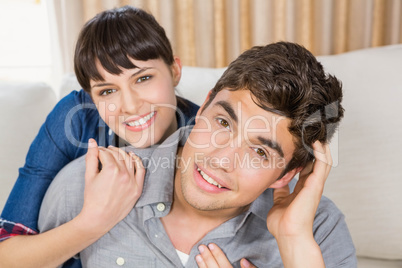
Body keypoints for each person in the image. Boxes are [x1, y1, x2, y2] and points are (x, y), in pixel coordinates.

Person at [38, 42, 357, 267]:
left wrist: (293, 240)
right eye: (222, 122)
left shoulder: (318, 229)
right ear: (203, 106)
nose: (222, 158)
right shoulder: (86, 185)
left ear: (287, 174)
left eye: (259, 151)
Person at [0, 6, 199, 268]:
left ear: (175, 70)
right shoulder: (75, 120)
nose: (129, 104)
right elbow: (6, 255)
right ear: (91, 97)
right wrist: (94, 221)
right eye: (107, 91)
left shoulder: (206, 132)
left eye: (143, 78)